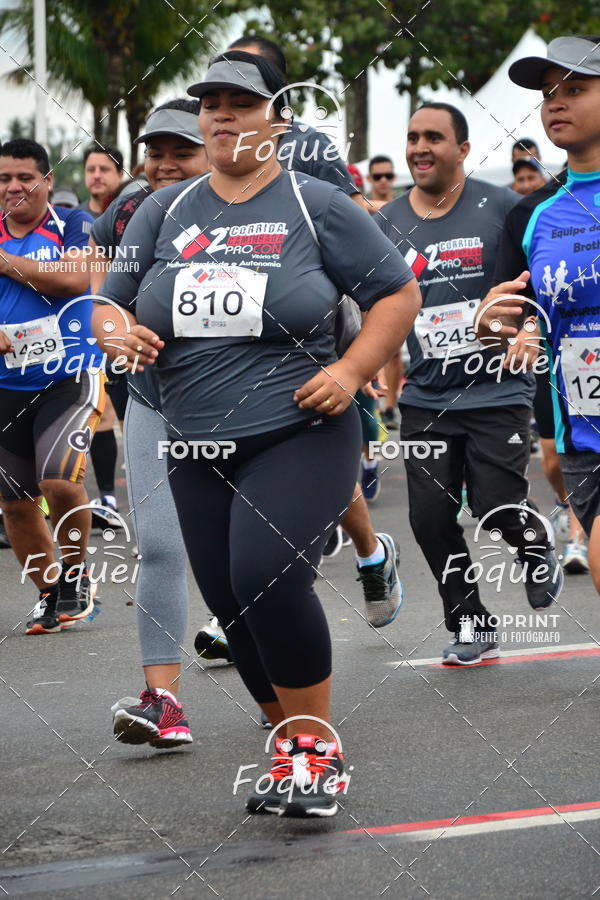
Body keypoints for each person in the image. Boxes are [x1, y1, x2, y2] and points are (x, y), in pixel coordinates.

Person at [95, 52, 420, 816]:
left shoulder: (314, 205)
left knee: (267, 572)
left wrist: (349, 372)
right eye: (210, 104)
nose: (221, 116)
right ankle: (290, 748)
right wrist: (121, 332)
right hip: (195, 443)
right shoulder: (163, 212)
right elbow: (107, 303)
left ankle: (317, 747)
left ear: (276, 118)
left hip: (301, 428)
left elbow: (396, 292)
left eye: (240, 103)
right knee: (233, 603)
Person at [190, 35, 406, 641]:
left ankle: (361, 556)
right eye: (214, 93)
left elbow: (356, 217)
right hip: (215, 350)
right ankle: (262, 594)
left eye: (244, 83)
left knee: (311, 450)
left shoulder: (310, 147)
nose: (222, 105)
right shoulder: (207, 138)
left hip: (313, 329)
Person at [376, 102, 563, 665]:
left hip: (498, 387)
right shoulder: (386, 221)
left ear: (462, 149)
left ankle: (534, 543)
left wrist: (528, 327)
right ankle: (471, 622)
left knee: (493, 504)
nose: (419, 147)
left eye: (434, 137)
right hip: (426, 395)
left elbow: (539, 279)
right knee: (428, 517)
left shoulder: (503, 206)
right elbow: (372, 304)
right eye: (412, 138)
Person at [90, 99, 208, 747]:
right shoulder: (137, 213)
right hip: (156, 398)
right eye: (155, 152)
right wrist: (117, 331)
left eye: (180, 152)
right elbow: (106, 293)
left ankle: (285, 688)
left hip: (257, 409)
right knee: (161, 545)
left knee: (248, 562)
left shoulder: (270, 208)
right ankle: (164, 700)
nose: (164, 165)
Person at [477, 33, 600, 593]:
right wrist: (501, 326)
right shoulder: (532, 214)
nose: (555, 102)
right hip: (579, 425)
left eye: (574, 88)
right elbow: (514, 311)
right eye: (549, 92)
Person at [0, 139, 104, 633]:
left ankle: (78, 575)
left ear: (45, 180)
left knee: (59, 480)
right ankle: (49, 593)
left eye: (24, 177)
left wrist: (3, 262)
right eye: (4, 179)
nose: (14, 187)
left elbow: (72, 279)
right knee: (15, 503)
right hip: (5, 386)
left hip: (70, 374)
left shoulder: (74, 223)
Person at [80, 145, 124, 219]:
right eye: (91, 170)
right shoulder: (73, 218)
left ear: (120, 175)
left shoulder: (133, 215)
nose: (96, 176)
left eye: (104, 169)